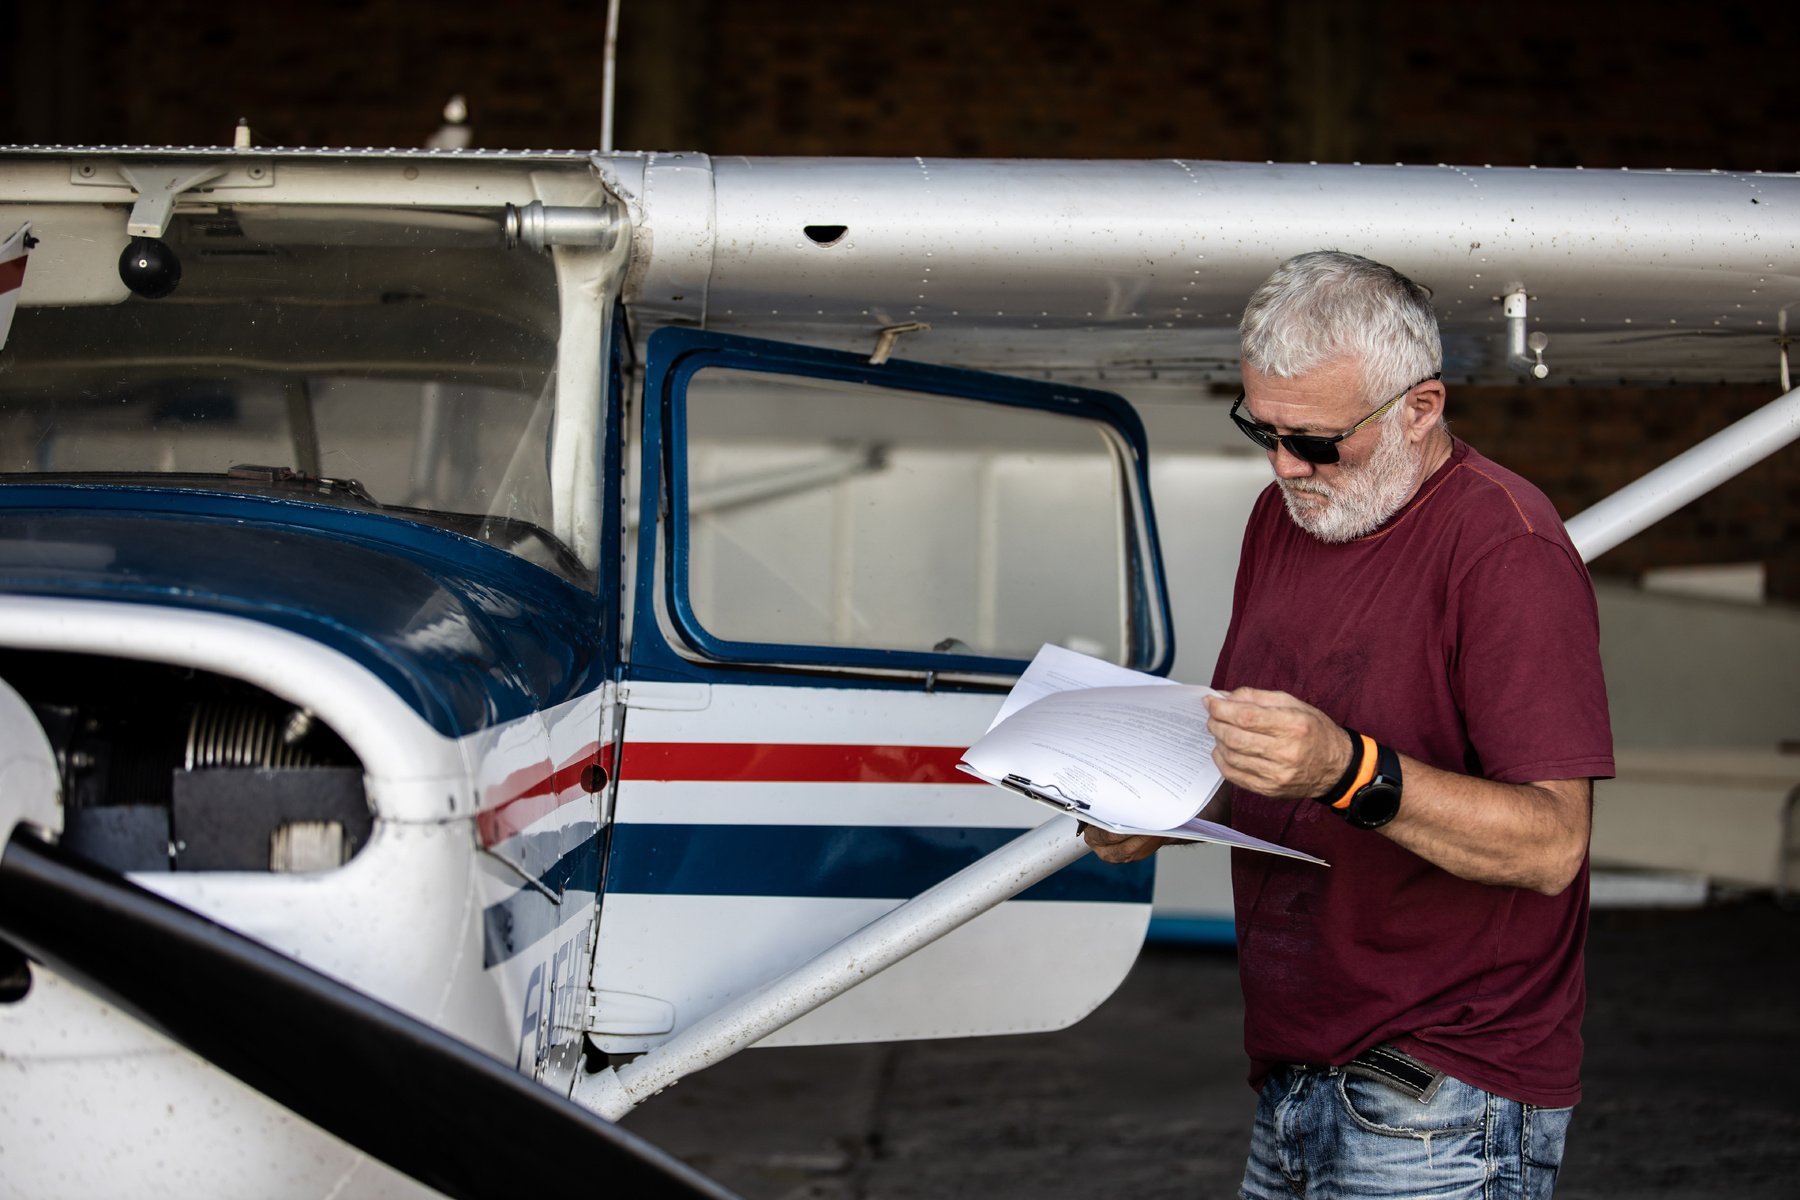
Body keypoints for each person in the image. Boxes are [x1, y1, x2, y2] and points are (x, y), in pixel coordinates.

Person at [1086, 250, 1613, 1199]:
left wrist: (1348, 769)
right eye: (1265, 429)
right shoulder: (1282, 516)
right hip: (1296, 1061)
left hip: (1440, 1091)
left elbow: (1551, 846)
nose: (1288, 465)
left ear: (1419, 408)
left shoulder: (1508, 552)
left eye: (1319, 440)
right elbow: (1263, 745)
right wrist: (1153, 801)